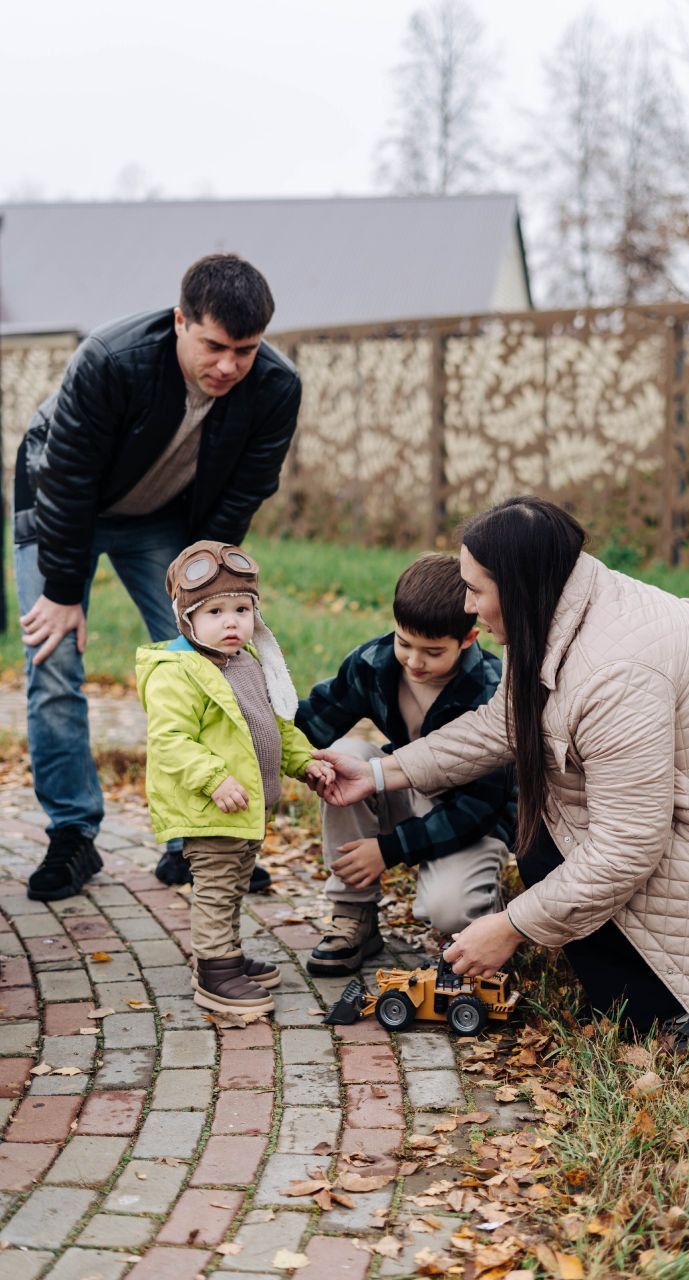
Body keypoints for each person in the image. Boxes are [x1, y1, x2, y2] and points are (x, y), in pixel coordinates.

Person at [313, 496, 689, 1044]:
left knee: (565, 848)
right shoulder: (557, 611)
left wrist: (510, 926)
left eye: (476, 590)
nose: (469, 607)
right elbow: (499, 726)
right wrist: (381, 773)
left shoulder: (615, 671)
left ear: (519, 584)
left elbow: (628, 846)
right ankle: (649, 990)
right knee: (545, 833)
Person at [14, 253, 301, 902]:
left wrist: (211, 595)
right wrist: (61, 592)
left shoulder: (277, 387)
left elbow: (241, 497)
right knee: (52, 659)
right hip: (60, 507)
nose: (229, 366)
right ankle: (72, 837)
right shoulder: (109, 360)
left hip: (160, 521)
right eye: (214, 346)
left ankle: (197, 841)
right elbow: (66, 479)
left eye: (246, 350)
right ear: (179, 321)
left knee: (209, 662)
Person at [295, 553, 515, 976]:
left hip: (471, 815)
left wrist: (388, 849)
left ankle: (486, 924)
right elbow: (313, 724)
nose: (414, 662)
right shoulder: (373, 663)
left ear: (468, 639)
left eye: (433, 652)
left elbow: (480, 807)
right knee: (346, 757)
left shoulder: (491, 689)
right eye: (404, 643)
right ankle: (353, 914)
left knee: (447, 911)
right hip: (402, 784)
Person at [136, 541, 332, 1015]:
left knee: (236, 884)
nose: (231, 622)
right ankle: (214, 970)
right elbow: (170, 740)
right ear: (187, 620)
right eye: (215, 611)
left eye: (242, 609)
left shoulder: (246, 662)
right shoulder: (178, 673)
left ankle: (226, 955)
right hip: (211, 806)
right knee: (217, 887)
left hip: (247, 808)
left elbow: (278, 725)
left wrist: (304, 761)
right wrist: (213, 778)